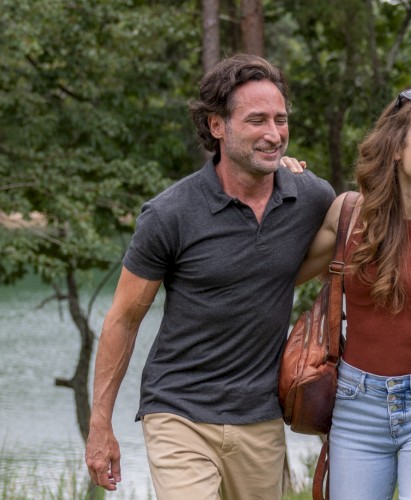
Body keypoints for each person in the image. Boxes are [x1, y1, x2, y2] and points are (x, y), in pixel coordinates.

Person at [84, 54, 336, 499]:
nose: (273, 134)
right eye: (256, 120)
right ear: (217, 126)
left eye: (280, 120)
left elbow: (342, 254)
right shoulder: (170, 214)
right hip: (179, 412)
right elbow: (122, 319)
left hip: (261, 416)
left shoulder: (311, 197)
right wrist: (100, 424)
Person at [296, 87, 411, 498]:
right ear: (397, 146)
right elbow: (279, 276)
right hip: (355, 404)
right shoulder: (349, 214)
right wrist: (284, 180)